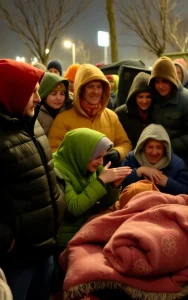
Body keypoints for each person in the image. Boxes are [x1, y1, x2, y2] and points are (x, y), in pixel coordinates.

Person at [0, 59, 65, 300]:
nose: (39, 98)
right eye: (33, 92)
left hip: (44, 248)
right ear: (13, 91)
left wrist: (59, 193)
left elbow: (46, 170)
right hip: (17, 259)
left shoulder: (31, 123)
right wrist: (7, 240)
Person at [53, 128, 132, 248]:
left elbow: (104, 204)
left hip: (87, 232)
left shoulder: (89, 165)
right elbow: (73, 208)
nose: (101, 162)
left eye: (103, 157)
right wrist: (101, 181)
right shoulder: (56, 171)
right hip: (64, 240)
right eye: (97, 157)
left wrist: (113, 186)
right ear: (82, 153)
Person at [48, 64, 132, 167]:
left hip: (107, 178)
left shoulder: (111, 116)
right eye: (90, 87)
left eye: (99, 87)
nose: (95, 91)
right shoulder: (63, 119)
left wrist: (118, 152)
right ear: (81, 89)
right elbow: (53, 151)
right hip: (76, 180)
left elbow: (125, 143)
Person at [149, 56, 188, 164]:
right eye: (157, 81)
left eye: (165, 81)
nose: (160, 86)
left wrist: (167, 145)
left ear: (172, 80)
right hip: (157, 158)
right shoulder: (155, 99)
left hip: (181, 160)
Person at [122, 124, 188, 195]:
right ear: (143, 147)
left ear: (165, 149)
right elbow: (119, 184)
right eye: (150, 147)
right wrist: (139, 171)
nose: (154, 152)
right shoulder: (131, 158)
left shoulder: (177, 164)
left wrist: (166, 182)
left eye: (159, 148)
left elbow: (187, 191)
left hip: (166, 204)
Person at [115, 72, 153, 148]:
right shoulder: (121, 113)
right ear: (134, 97)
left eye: (148, 97)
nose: (144, 101)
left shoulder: (158, 111)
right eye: (140, 97)